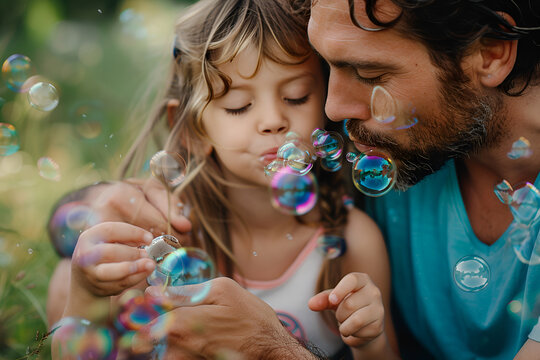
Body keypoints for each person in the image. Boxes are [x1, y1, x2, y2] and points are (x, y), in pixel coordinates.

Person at [131, 0, 540, 359]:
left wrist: (268, 348)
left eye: (368, 72)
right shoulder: (383, 147)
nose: (333, 107)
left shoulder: (398, 150)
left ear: (488, 53)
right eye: (326, 68)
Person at [48, 0, 399, 359]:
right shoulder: (162, 235)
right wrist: (85, 294)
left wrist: (371, 343)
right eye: (238, 105)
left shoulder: (354, 241)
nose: (272, 120)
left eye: (296, 96)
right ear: (191, 131)